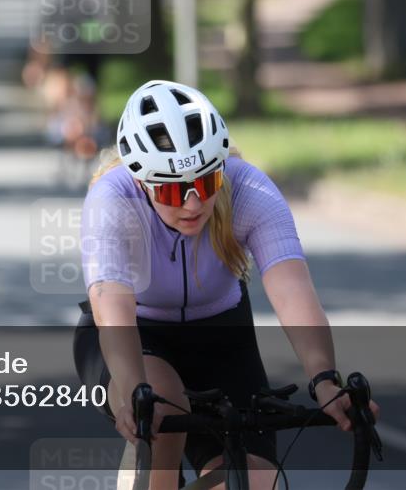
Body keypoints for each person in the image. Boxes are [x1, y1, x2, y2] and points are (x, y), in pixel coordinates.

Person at [73, 80, 380, 490]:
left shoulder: (249, 189)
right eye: (172, 190)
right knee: (161, 404)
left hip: (221, 337)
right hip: (136, 335)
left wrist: (324, 378)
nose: (192, 204)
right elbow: (111, 306)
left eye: (205, 184)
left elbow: (292, 291)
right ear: (142, 181)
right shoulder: (113, 199)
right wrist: (132, 390)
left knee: (256, 479)